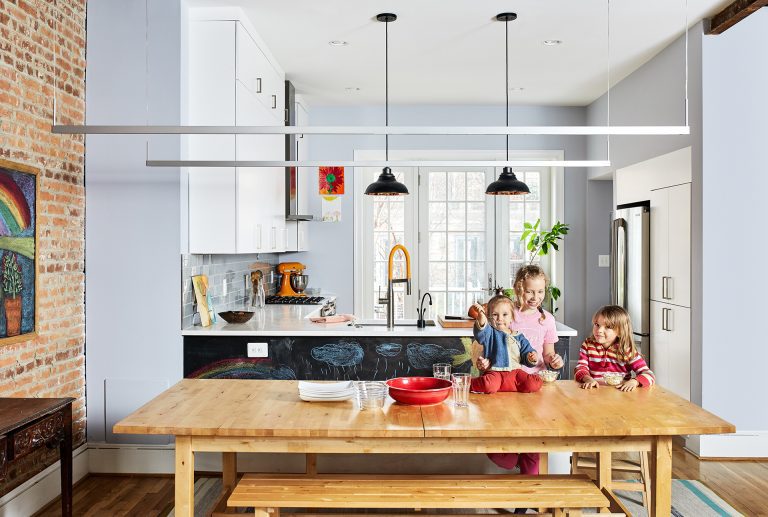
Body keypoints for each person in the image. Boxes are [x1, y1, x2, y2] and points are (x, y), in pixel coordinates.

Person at [476, 266, 561, 480]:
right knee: (495, 433)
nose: (535, 297)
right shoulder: (507, 314)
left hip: (533, 384)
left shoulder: (547, 320)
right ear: (518, 289)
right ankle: (512, 459)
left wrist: (554, 361)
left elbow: (548, 353)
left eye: (540, 292)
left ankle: (528, 491)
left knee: (535, 438)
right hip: (504, 385)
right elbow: (487, 341)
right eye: (530, 291)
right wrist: (484, 363)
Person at [469, 291, 543, 395]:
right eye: (495, 314)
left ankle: (521, 384)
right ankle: (467, 383)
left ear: (512, 318)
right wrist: (481, 317)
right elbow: (481, 333)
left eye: (505, 314)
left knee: (533, 383)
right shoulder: (490, 333)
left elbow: (528, 352)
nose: (500, 318)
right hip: (495, 373)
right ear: (489, 317)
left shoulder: (519, 337)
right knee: (488, 385)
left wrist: (532, 357)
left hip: (516, 374)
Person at [575, 305, 655, 390]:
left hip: (621, 394)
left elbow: (649, 374)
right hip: (594, 392)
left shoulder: (626, 349)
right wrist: (588, 379)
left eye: (608, 327)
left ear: (620, 331)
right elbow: (580, 368)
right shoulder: (588, 345)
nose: (599, 330)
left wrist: (634, 381)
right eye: (597, 324)